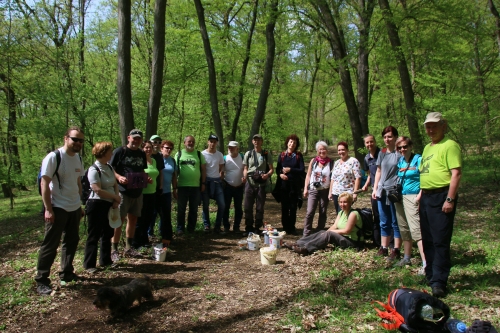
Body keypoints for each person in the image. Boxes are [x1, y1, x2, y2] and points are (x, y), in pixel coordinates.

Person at [36, 126, 85, 295]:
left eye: (80, 140)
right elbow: (44, 183)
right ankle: (42, 280)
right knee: (50, 244)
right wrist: (48, 209)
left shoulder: (78, 158)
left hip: (74, 207)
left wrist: (80, 205)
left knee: (71, 241)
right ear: (66, 138)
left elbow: (78, 182)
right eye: (75, 139)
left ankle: (67, 273)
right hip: (57, 206)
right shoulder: (53, 157)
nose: (78, 143)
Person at [419, 112, 462, 298]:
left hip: (441, 196)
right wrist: (421, 194)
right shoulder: (427, 148)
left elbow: (456, 174)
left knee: (440, 240)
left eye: (434, 126)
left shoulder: (450, 145)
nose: (431, 129)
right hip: (426, 198)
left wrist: (450, 199)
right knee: (428, 240)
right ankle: (431, 275)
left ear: (443, 125)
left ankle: (439, 282)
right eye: (428, 126)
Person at [109, 129, 150, 261]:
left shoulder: (141, 153)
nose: (136, 141)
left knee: (133, 220)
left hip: (137, 192)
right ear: (128, 138)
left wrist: (146, 178)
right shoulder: (120, 151)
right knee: (119, 221)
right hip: (122, 191)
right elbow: (110, 168)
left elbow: (142, 169)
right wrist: (119, 177)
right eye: (134, 138)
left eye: (139, 139)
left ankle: (128, 248)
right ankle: (114, 249)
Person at [83, 142, 121, 273]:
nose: (111, 154)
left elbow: (115, 184)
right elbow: (97, 190)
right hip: (96, 204)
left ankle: (105, 260)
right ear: (103, 153)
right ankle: (89, 265)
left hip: (109, 204)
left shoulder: (109, 167)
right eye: (110, 151)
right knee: (94, 234)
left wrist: (116, 198)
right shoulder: (94, 169)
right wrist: (114, 197)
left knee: (108, 232)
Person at [284, 192, 362, 255]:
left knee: (328, 234)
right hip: (343, 238)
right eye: (341, 202)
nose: (342, 204)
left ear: (350, 202)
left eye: (345, 202)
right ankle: (298, 244)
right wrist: (325, 232)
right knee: (322, 232)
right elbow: (335, 226)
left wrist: (329, 233)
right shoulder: (341, 212)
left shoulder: (353, 214)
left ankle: (306, 249)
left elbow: (346, 231)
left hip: (352, 242)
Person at [393, 136, 426, 273]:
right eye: (399, 147)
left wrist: (420, 195)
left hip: (413, 196)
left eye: (405, 146)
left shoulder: (418, 159)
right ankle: (407, 257)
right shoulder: (400, 161)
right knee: (404, 228)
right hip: (401, 197)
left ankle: (426, 263)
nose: (402, 149)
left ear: (410, 146)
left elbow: (426, 177)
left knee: (416, 230)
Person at [372, 126, 402, 261]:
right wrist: (375, 188)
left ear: (395, 137)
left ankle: (396, 249)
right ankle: (383, 247)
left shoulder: (400, 153)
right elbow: (378, 171)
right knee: (383, 220)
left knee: (396, 221)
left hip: (394, 191)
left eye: (389, 136)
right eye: (385, 137)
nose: (387, 139)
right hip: (382, 191)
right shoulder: (382, 152)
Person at [242, 133, 274, 235]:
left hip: (261, 184)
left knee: (260, 207)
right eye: (255, 140)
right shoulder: (248, 154)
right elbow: (245, 168)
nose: (257, 142)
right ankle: (249, 227)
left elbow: (272, 169)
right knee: (247, 207)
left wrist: (267, 175)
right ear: (252, 142)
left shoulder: (266, 154)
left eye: (259, 140)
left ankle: (257, 227)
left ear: (262, 142)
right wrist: (245, 177)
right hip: (250, 183)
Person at [175, 135, 206, 235]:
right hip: (182, 186)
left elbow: (203, 169)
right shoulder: (179, 154)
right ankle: (180, 228)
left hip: (195, 186)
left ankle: (191, 229)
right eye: (189, 141)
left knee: (194, 209)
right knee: (181, 209)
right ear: (184, 143)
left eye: (192, 141)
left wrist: (203, 183)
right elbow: (174, 172)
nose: (191, 143)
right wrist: (174, 187)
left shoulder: (198, 154)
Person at [134, 141, 161, 249]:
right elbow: (135, 176)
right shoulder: (139, 161)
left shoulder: (153, 161)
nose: (148, 150)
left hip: (152, 193)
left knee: (148, 218)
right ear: (142, 148)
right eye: (146, 148)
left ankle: (144, 239)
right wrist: (144, 179)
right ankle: (136, 242)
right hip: (142, 193)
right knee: (140, 219)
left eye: (150, 148)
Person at [275, 134, 305, 235]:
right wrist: (280, 175)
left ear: (296, 145)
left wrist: (290, 169)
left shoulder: (298, 155)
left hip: (294, 186)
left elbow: (301, 170)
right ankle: (285, 227)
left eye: (294, 143)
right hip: (284, 186)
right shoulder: (282, 155)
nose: (292, 144)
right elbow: (278, 169)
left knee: (293, 207)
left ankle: (292, 227)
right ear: (287, 143)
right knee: (284, 207)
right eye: (291, 142)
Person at [302, 141, 333, 236]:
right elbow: (308, 175)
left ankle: (319, 231)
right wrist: (305, 189)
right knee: (310, 211)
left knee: (323, 212)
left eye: (324, 149)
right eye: (320, 149)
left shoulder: (331, 163)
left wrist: (330, 192)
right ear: (317, 151)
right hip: (313, 190)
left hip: (325, 190)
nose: (322, 151)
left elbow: (333, 179)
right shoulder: (314, 161)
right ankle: (306, 233)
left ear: (327, 150)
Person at [201, 134, 226, 234]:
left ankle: (217, 226)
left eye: (214, 142)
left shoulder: (219, 155)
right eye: (211, 141)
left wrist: (220, 175)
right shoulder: (202, 154)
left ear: (217, 143)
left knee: (222, 204)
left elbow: (221, 167)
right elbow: (202, 169)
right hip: (206, 181)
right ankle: (207, 225)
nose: (212, 143)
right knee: (205, 205)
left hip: (216, 181)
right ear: (208, 142)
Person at [329, 141, 361, 213]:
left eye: (343, 149)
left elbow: (358, 177)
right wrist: (330, 192)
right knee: (339, 214)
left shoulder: (353, 161)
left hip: (347, 193)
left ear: (347, 150)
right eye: (339, 150)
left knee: (344, 214)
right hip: (336, 193)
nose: (341, 152)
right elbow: (333, 178)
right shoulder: (336, 162)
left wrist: (355, 193)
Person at [361, 134, 382, 247]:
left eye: (371, 141)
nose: (369, 144)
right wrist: (366, 184)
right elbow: (369, 174)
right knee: (376, 215)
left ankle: (391, 242)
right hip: (374, 190)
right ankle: (377, 241)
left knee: (386, 216)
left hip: (384, 189)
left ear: (375, 141)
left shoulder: (383, 154)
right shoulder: (366, 158)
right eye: (367, 142)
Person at [222, 141, 245, 233]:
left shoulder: (242, 157)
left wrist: (244, 177)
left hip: (239, 187)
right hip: (227, 186)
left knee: (238, 208)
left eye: (232, 147)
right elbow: (221, 171)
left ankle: (236, 227)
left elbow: (245, 169)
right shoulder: (225, 158)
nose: (230, 149)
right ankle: (226, 227)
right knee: (225, 207)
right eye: (229, 147)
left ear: (237, 149)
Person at [159, 140, 177, 248]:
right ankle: (147, 237)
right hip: (156, 192)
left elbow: (174, 176)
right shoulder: (156, 159)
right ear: (161, 148)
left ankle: (167, 239)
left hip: (166, 192)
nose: (168, 150)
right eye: (166, 148)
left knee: (166, 217)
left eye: (170, 148)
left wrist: (175, 189)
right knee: (150, 216)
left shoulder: (172, 161)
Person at [148, 134, 165, 240]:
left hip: (157, 188)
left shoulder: (159, 156)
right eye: (155, 142)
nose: (157, 144)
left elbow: (161, 172)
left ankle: (155, 232)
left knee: (158, 212)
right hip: (147, 189)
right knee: (149, 212)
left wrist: (161, 185)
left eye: (159, 142)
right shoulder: (146, 155)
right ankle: (148, 232)